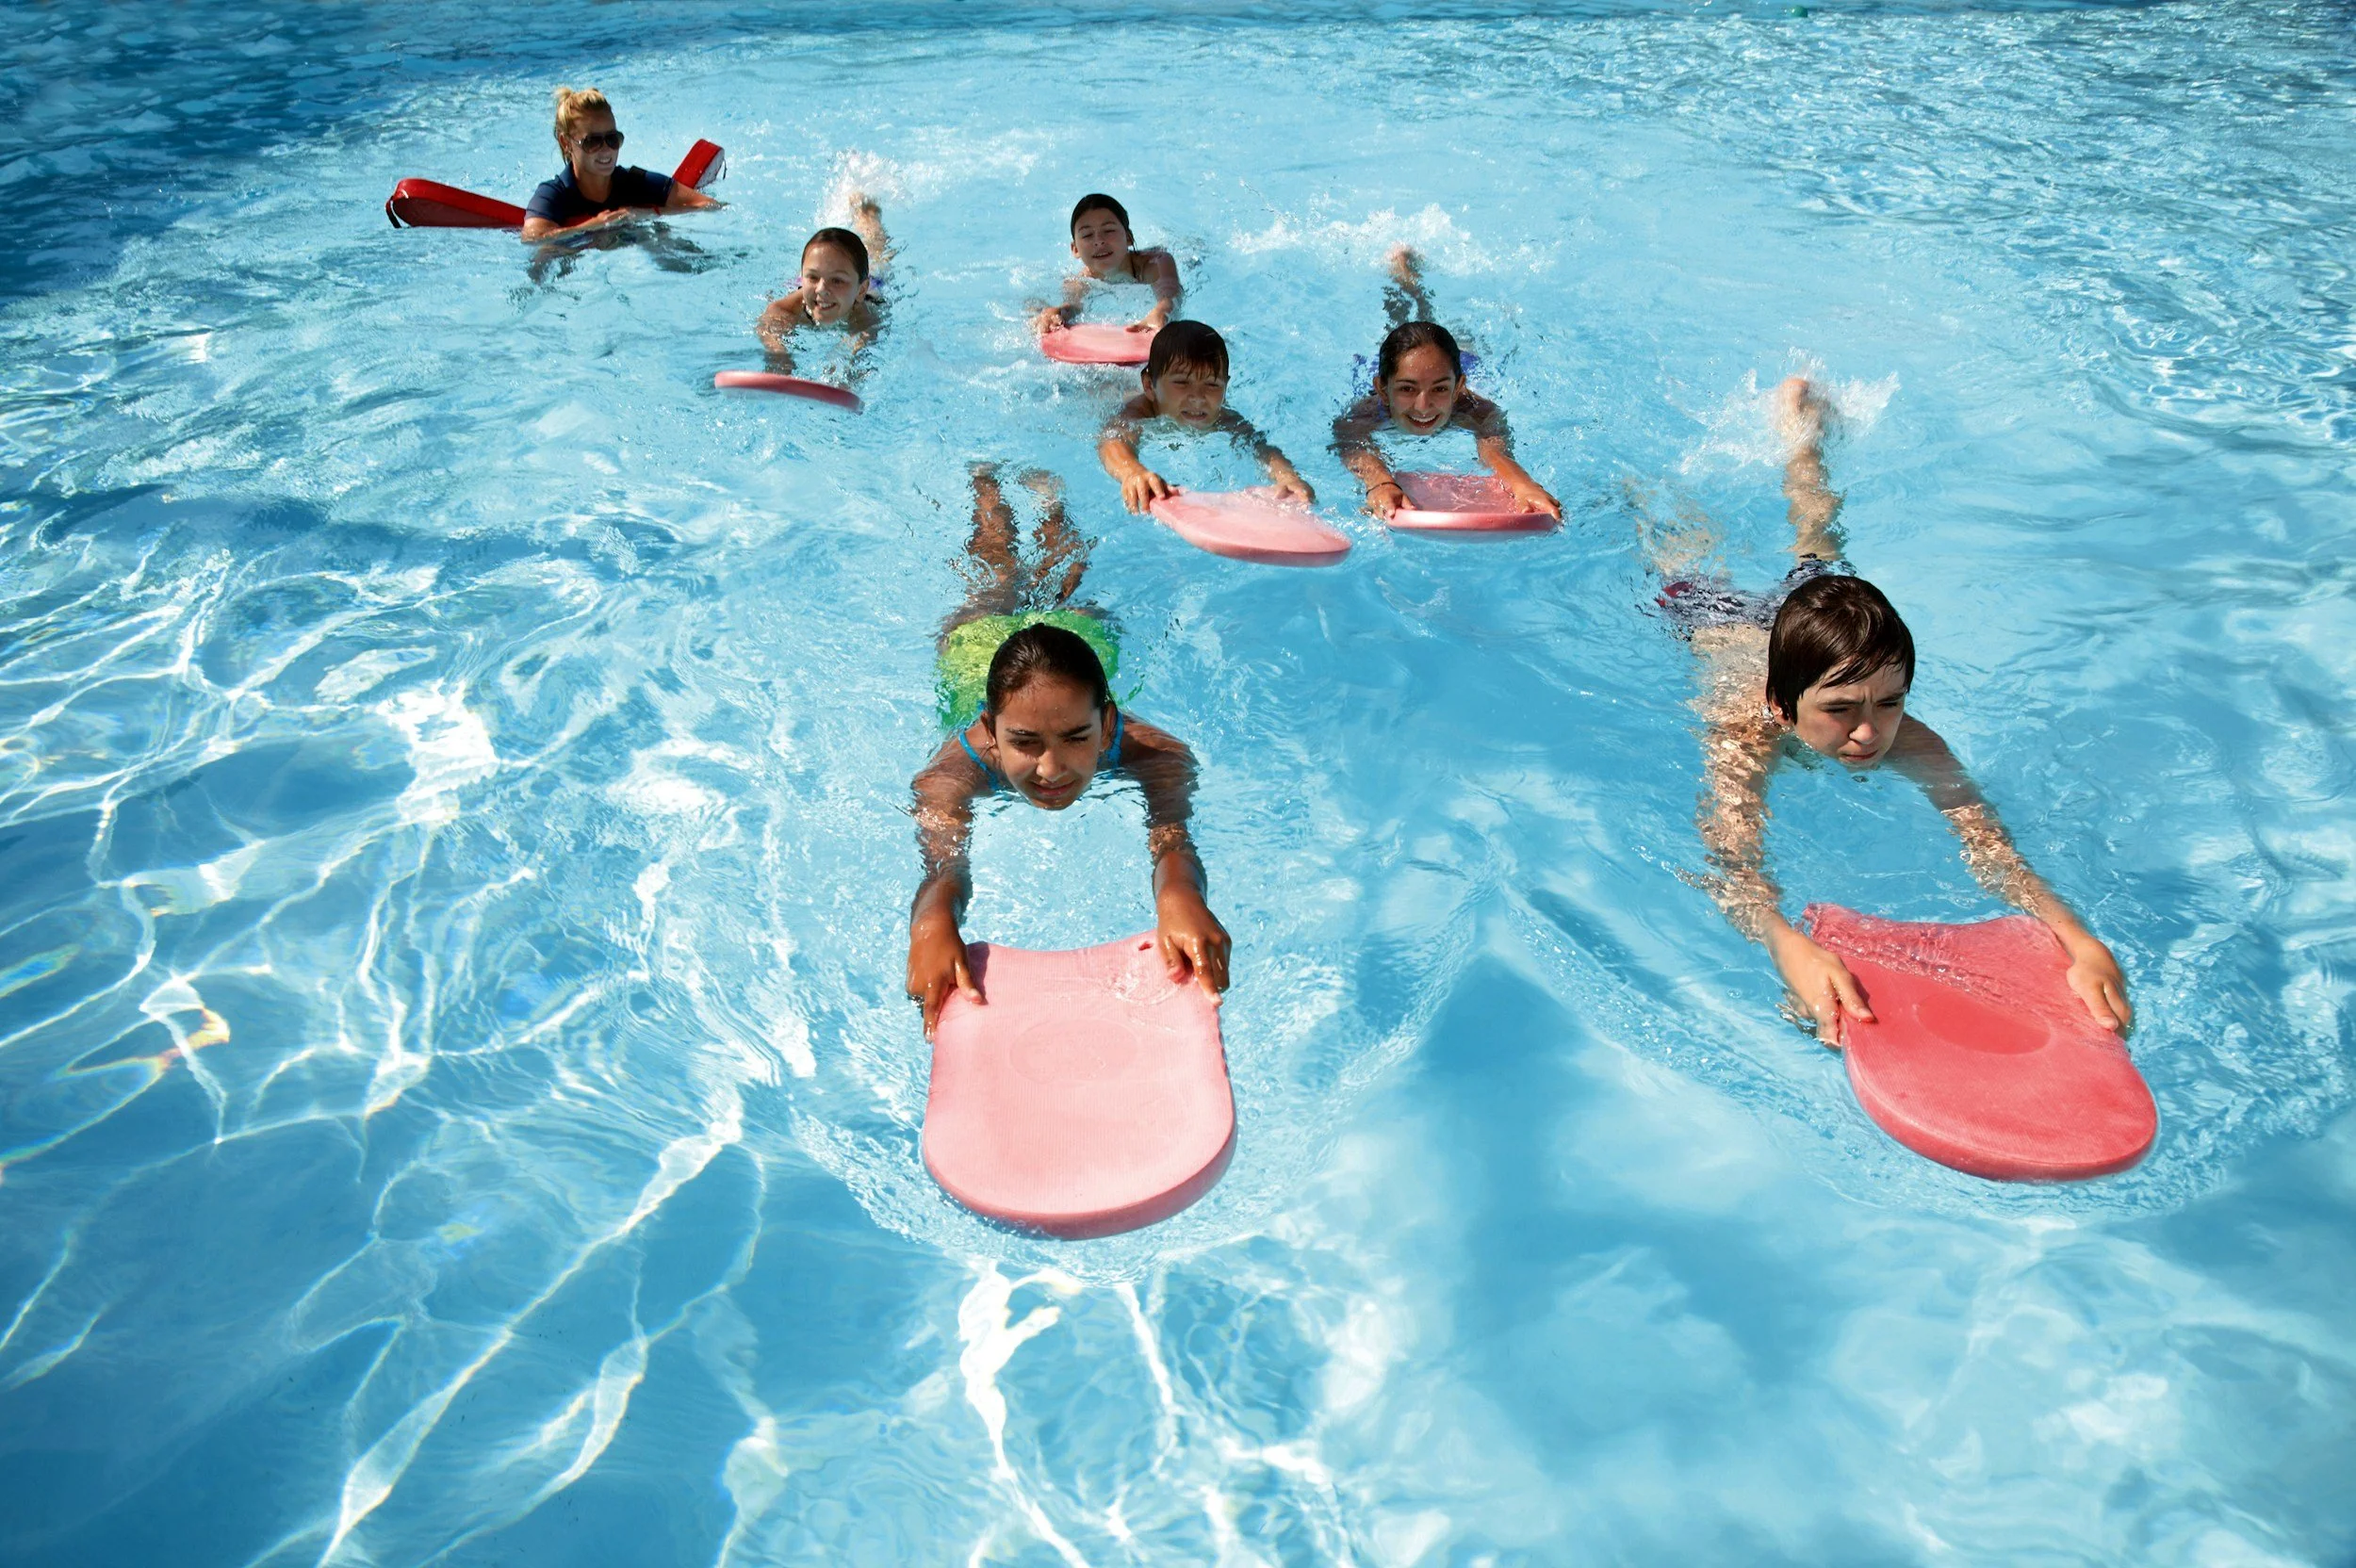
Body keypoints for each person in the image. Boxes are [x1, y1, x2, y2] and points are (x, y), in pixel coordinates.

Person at [1675, 377, 2131, 1045]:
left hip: (1818, 626)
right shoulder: (1746, 733)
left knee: (1818, 543)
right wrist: (1786, 946)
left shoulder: (1911, 740)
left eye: (1890, 702)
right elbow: (1728, 859)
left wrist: (2076, 937)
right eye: (1840, 710)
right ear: (1782, 707)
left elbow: (1991, 849)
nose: (1870, 733)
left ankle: (1801, 434)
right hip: (1723, 624)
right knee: (1684, 552)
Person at [908, 466, 1231, 1037]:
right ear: (989, 730)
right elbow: (944, 868)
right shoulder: (951, 775)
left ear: (1108, 723)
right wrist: (932, 924)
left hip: (1069, 643)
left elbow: (1173, 837)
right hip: (979, 644)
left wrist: (1179, 892)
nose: (1051, 770)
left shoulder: (1154, 753)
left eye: (1077, 739)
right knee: (997, 574)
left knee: (1066, 579)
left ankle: (1051, 499)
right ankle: (987, 487)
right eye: (1023, 743)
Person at [1332, 246, 1559, 519]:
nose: (1424, 406)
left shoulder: (1475, 409)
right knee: (1399, 322)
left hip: (1464, 359)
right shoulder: (1366, 412)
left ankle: (1409, 279)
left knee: (1426, 329)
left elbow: (1494, 451)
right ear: (1383, 389)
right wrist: (1379, 482)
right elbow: (1351, 442)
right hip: (1399, 363)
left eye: (1440, 389)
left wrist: (1523, 483)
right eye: (1406, 389)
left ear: (1458, 387)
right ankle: (1402, 277)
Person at [1098, 321, 1315, 514]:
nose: (1198, 398)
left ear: (1225, 386)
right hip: (1107, 385)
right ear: (1149, 386)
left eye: (1212, 385)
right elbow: (1112, 440)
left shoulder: (1224, 418)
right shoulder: (1139, 412)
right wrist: (1132, 471)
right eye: (1182, 382)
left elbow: (1260, 448)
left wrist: (1287, 477)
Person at [519, 88, 720, 242]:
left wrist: (649, 213)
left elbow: (712, 206)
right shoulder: (554, 194)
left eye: (612, 139)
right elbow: (532, 238)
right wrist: (593, 226)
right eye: (593, 141)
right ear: (566, 143)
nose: (606, 150)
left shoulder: (635, 182)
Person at [756, 197, 891, 371]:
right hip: (819, 280)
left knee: (876, 250)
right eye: (812, 277)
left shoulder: (865, 320)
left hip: (874, 283)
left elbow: (860, 351)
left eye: (837, 281)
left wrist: (845, 368)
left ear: (860, 290)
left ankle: (868, 212)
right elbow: (771, 317)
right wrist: (778, 352)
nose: (822, 290)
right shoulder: (795, 305)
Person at [1031, 193, 1183, 339]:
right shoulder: (1078, 283)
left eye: (1109, 230)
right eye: (1087, 235)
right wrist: (1056, 313)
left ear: (1129, 238)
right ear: (1075, 249)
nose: (1099, 241)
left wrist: (1162, 310)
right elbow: (1073, 307)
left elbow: (1169, 295)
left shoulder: (1155, 263)